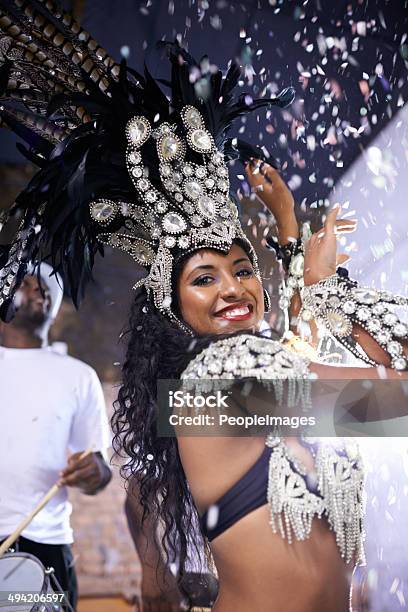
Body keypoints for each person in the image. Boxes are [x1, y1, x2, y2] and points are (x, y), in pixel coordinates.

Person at [1, 6, 408, 610]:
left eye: (243, 269)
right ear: (173, 308)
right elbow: (391, 401)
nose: (231, 289)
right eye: (204, 279)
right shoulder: (218, 385)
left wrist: (292, 237)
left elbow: (352, 358)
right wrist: (327, 287)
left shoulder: (255, 374)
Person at [0, 263, 112, 610]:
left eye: (46, 287)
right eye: (26, 284)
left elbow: (100, 471)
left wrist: (94, 472)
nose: (39, 291)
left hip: (45, 543)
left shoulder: (78, 376)